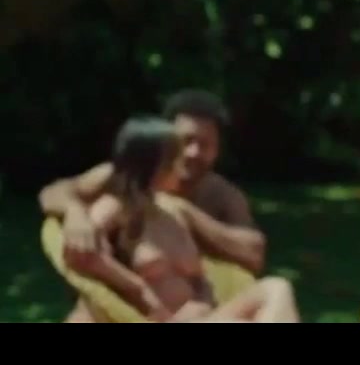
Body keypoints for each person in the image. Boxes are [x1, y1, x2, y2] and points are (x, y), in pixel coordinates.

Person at [38, 88, 266, 322]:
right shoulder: (118, 179)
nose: (193, 153)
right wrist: (74, 212)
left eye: (205, 145)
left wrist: (188, 216)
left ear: (217, 150)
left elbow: (254, 253)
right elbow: (52, 193)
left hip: (195, 307)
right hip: (126, 309)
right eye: (186, 141)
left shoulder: (219, 193)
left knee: (274, 289)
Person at [65, 114, 299, 322]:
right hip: (155, 318)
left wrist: (202, 302)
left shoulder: (172, 211)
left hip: (201, 317)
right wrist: (138, 289)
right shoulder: (116, 209)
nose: (181, 169)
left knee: (276, 287)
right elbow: (80, 255)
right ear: (153, 166)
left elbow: (199, 279)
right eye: (175, 161)